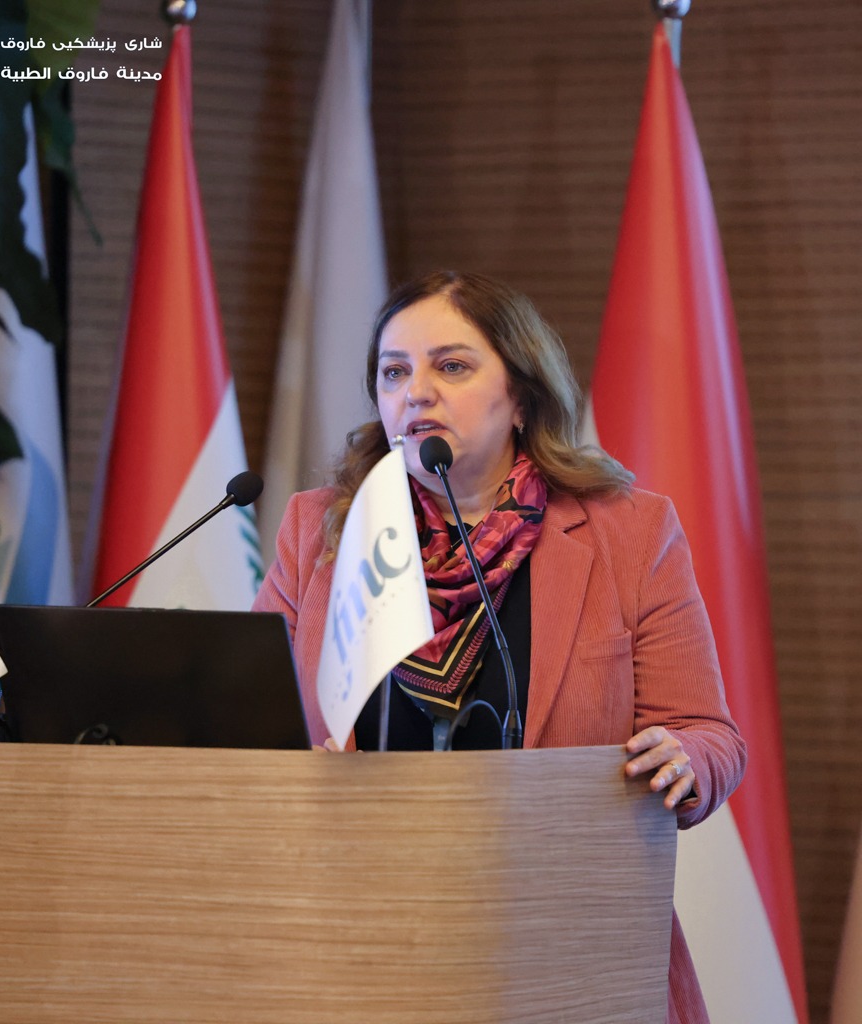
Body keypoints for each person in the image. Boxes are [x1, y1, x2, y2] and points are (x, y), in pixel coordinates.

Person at [253, 270, 746, 1023]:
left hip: (565, 944)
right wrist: (297, 778)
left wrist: (685, 760)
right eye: (394, 372)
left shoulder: (628, 532)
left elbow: (708, 734)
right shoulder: (318, 531)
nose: (416, 394)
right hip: (357, 934)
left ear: (521, 397)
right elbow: (252, 729)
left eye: (450, 366)